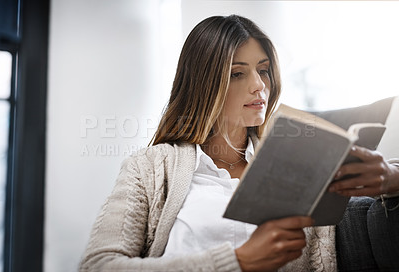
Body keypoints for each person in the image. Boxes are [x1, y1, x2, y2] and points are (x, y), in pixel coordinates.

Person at [79, 15, 399, 272]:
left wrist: (391, 179)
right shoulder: (149, 168)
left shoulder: (296, 159)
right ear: (203, 83)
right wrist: (239, 262)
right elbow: (98, 265)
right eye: (237, 74)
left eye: (263, 70)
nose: (259, 85)